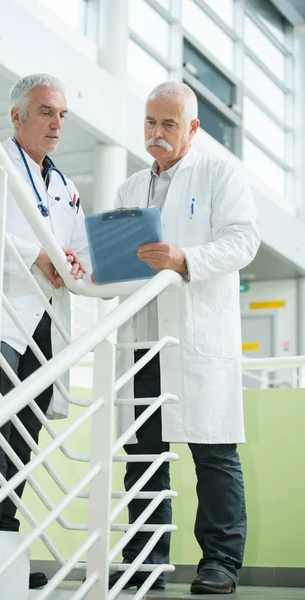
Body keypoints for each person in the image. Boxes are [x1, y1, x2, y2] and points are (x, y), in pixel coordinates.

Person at [110, 82, 260, 594]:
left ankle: (220, 562)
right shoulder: (129, 188)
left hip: (197, 335)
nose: (156, 133)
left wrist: (185, 260)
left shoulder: (220, 173)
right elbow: (117, 259)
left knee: (214, 452)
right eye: (150, 122)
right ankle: (145, 559)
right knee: (143, 453)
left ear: (192, 129)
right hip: (143, 336)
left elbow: (244, 240)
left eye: (168, 124)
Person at [0, 73, 90, 589]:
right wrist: (36, 256)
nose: (57, 124)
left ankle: (4, 545)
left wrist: (72, 262)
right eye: (46, 112)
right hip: (2, 314)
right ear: (17, 116)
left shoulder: (66, 186)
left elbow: (79, 249)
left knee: (24, 438)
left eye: (62, 115)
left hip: (45, 324)